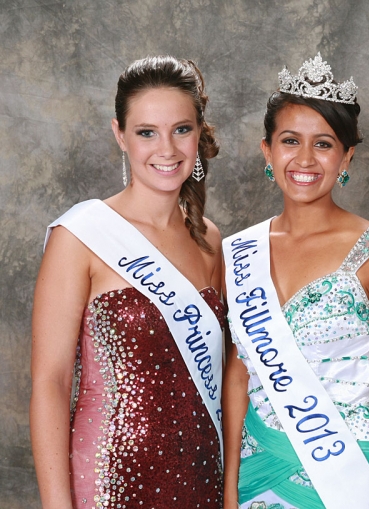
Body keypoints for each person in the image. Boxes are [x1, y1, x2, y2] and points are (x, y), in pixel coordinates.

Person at [222, 54, 369, 509]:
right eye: (290, 141)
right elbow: (238, 377)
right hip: (257, 471)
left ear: (347, 155)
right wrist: (230, 489)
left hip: (350, 475)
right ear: (267, 150)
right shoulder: (238, 252)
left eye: (324, 144)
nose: (305, 159)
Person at [30, 56, 225, 508]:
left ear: (199, 132)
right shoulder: (81, 235)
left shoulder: (210, 241)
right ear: (120, 134)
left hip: (200, 480)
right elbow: (52, 383)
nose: (167, 149)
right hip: (110, 478)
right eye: (146, 132)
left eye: (181, 129)